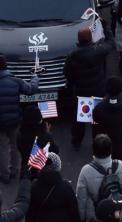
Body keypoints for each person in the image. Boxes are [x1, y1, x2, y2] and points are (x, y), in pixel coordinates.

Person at [0, 55, 38, 183]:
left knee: (3, 147)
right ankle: (14, 171)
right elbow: (31, 90)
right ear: (6, 66)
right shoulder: (15, 81)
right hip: (14, 120)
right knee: (15, 145)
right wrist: (34, 77)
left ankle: (4, 174)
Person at [75, 134, 122, 222]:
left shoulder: (86, 171)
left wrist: (82, 218)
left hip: (95, 216)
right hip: (117, 214)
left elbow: (81, 199)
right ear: (111, 149)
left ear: (94, 150)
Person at [26, 152, 80, 222]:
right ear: (57, 167)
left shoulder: (34, 186)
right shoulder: (66, 187)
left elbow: (30, 211)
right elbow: (74, 211)